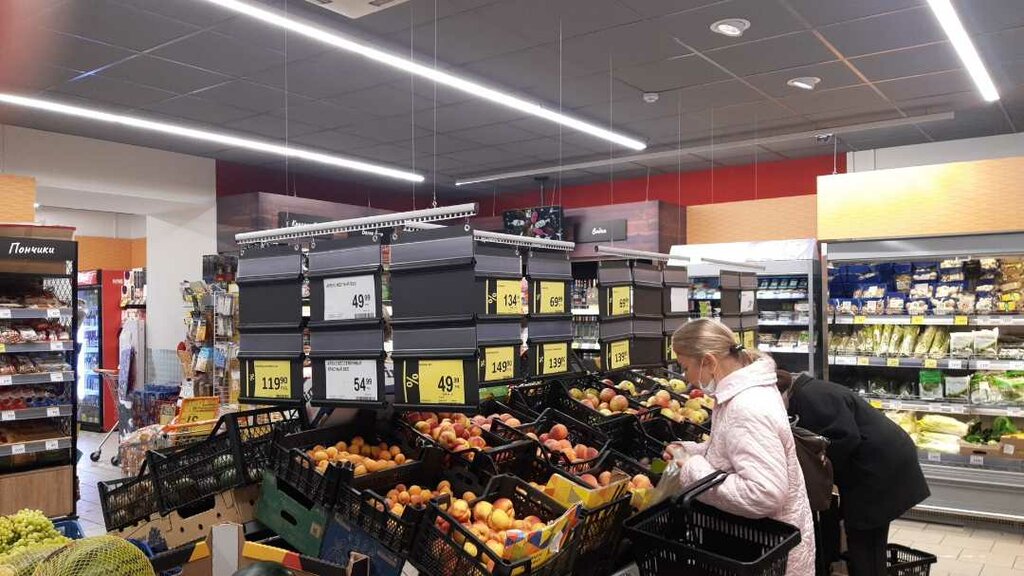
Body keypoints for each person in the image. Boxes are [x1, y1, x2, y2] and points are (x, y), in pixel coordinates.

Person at [665, 318, 815, 576]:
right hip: (764, 542)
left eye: (685, 367)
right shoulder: (740, 392)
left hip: (768, 551)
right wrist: (692, 452)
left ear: (708, 362)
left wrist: (693, 469)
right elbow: (735, 451)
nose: (685, 377)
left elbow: (764, 492)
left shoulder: (746, 406)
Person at [776, 370, 930, 576]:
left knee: (864, 540)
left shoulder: (810, 398)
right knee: (867, 539)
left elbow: (846, 438)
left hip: (878, 467)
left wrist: (823, 473)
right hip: (879, 462)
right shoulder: (810, 392)